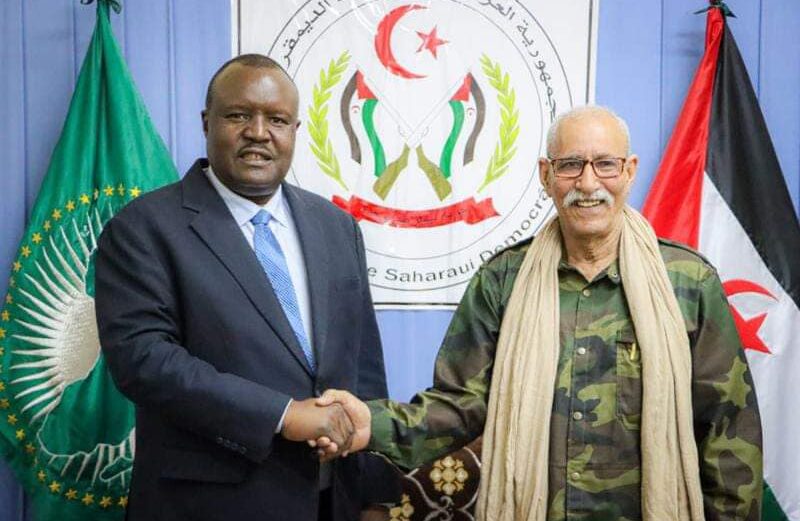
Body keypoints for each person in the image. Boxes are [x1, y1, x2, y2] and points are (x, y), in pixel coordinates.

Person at [315, 106, 763, 520]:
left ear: (629, 172)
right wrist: (371, 424)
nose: (588, 183)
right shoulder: (502, 280)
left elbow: (728, 431)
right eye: (571, 165)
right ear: (547, 176)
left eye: (605, 164)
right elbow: (460, 405)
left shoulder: (688, 282)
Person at [95, 54, 395, 521]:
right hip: (207, 506)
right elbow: (144, 361)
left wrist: (376, 497)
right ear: (207, 122)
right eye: (239, 115)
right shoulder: (143, 228)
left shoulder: (336, 226)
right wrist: (283, 414)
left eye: (276, 119)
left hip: (331, 502)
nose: (259, 132)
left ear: (295, 130)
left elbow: (365, 367)